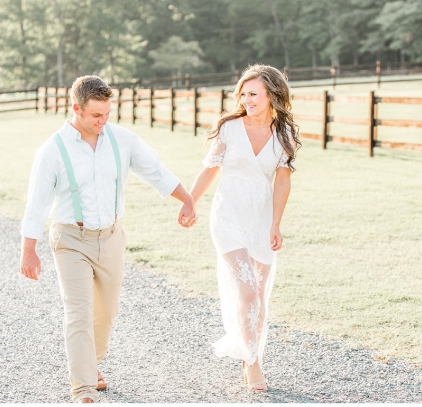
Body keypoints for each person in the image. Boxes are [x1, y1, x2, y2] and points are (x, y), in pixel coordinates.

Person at [19, 75, 197, 403]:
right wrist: (28, 250)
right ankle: (84, 390)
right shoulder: (52, 151)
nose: (102, 122)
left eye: (107, 114)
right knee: (79, 312)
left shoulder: (122, 140)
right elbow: (37, 204)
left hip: (111, 237)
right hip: (70, 239)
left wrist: (186, 199)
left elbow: (155, 171)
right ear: (76, 109)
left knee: (107, 312)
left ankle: (91, 363)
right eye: (95, 116)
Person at [188, 64, 300, 391]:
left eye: (253, 94)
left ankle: (251, 349)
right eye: (243, 94)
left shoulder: (284, 134)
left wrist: (276, 224)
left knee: (260, 295)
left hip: (262, 219)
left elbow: (283, 182)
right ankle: (252, 361)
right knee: (248, 289)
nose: (246, 99)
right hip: (228, 216)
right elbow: (210, 169)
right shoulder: (229, 128)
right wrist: (190, 202)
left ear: (272, 95)